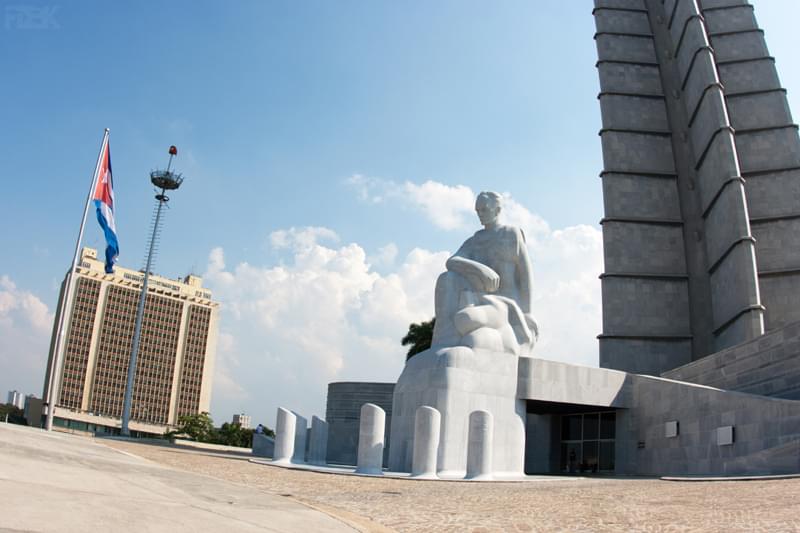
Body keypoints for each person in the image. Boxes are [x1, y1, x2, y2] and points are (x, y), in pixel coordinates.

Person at [430, 191, 538, 355]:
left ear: (497, 209)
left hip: (505, 305)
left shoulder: (511, 234)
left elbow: (525, 276)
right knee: (447, 278)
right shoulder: (475, 240)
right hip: (480, 300)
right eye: (478, 210)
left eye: (484, 209)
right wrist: (480, 269)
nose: (480, 214)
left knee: (466, 319)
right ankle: (444, 340)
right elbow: (451, 262)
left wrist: (527, 313)